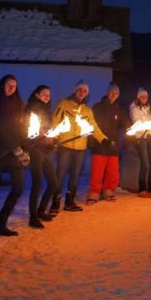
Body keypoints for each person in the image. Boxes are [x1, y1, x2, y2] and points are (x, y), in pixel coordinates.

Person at [50, 79, 108, 213]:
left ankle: (70, 201)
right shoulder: (64, 104)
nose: (82, 92)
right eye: (80, 89)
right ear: (75, 90)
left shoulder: (87, 110)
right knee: (60, 174)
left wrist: (102, 139)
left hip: (80, 148)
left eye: (85, 91)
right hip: (65, 145)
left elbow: (94, 127)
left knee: (75, 175)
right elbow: (55, 122)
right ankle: (55, 201)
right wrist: (54, 139)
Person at [0, 74, 27, 246]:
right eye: (9, 85)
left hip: (14, 152)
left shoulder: (19, 104)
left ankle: (1, 223)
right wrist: (14, 146)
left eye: (15, 85)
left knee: (18, 187)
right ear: (2, 85)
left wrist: (25, 144)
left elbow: (22, 127)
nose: (11, 88)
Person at [87, 82, 130, 203]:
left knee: (113, 171)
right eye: (112, 92)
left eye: (116, 93)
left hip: (113, 145)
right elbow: (91, 125)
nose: (114, 95)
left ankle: (108, 190)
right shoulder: (97, 107)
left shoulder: (119, 110)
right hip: (99, 144)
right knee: (97, 171)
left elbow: (126, 124)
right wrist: (91, 141)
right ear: (107, 93)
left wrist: (131, 131)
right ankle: (94, 193)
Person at [26, 85, 60, 228]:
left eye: (49, 95)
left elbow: (49, 131)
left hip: (46, 151)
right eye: (44, 94)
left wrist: (53, 141)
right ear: (37, 95)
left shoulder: (47, 110)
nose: (47, 97)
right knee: (37, 183)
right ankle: (33, 217)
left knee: (53, 183)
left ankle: (41, 210)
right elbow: (30, 132)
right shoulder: (32, 110)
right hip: (36, 151)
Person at [129, 87, 151, 198]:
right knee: (146, 164)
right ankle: (142, 188)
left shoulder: (148, 109)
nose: (144, 98)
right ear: (138, 97)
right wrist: (148, 126)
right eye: (142, 96)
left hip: (150, 137)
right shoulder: (134, 108)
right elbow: (137, 122)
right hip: (141, 138)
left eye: (146, 96)